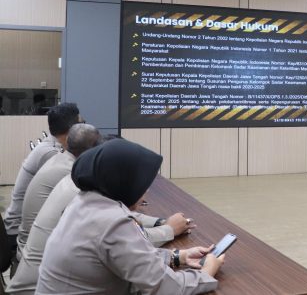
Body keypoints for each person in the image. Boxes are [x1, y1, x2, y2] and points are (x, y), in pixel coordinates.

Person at [9, 134, 194, 295]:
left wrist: (175, 255)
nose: (145, 193)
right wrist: (204, 271)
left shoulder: (85, 196)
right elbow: (165, 286)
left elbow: (127, 254)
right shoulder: (108, 218)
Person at [3, 103, 81, 265]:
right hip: (20, 233)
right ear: (73, 129)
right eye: (82, 124)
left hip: (23, 227)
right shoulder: (51, 154)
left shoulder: (51, 146)